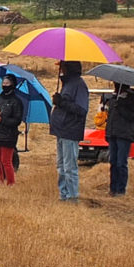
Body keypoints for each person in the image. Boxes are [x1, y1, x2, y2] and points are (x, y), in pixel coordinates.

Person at [50, 61, 89, 201]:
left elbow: (82, 110)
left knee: (69, 167)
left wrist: (61, 102)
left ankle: (73, 197)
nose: (60, 69)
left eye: (62, 66)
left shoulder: (79, 85)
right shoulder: (67, 84)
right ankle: (64, 195)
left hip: (70, 130)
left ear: (68, 68)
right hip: (61, 129)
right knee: (61, 166)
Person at [105, 84, 134, 196]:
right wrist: (108, 133)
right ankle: (113, 189)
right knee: (113, 162)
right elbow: (110, 116)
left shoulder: (132, 98)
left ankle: (121, 190)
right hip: (113, 134)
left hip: (124, 135)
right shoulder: (113, 97)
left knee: (121, 163)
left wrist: (121, 107)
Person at [0, 73, 25, 185]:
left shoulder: (17, 102)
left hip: (9, 135)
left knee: (6, 161)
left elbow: (17, 121)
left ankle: (11, 183)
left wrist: (2, 119)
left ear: (12, 85)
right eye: (3, 83)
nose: (4, 85)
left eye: (7, 83)